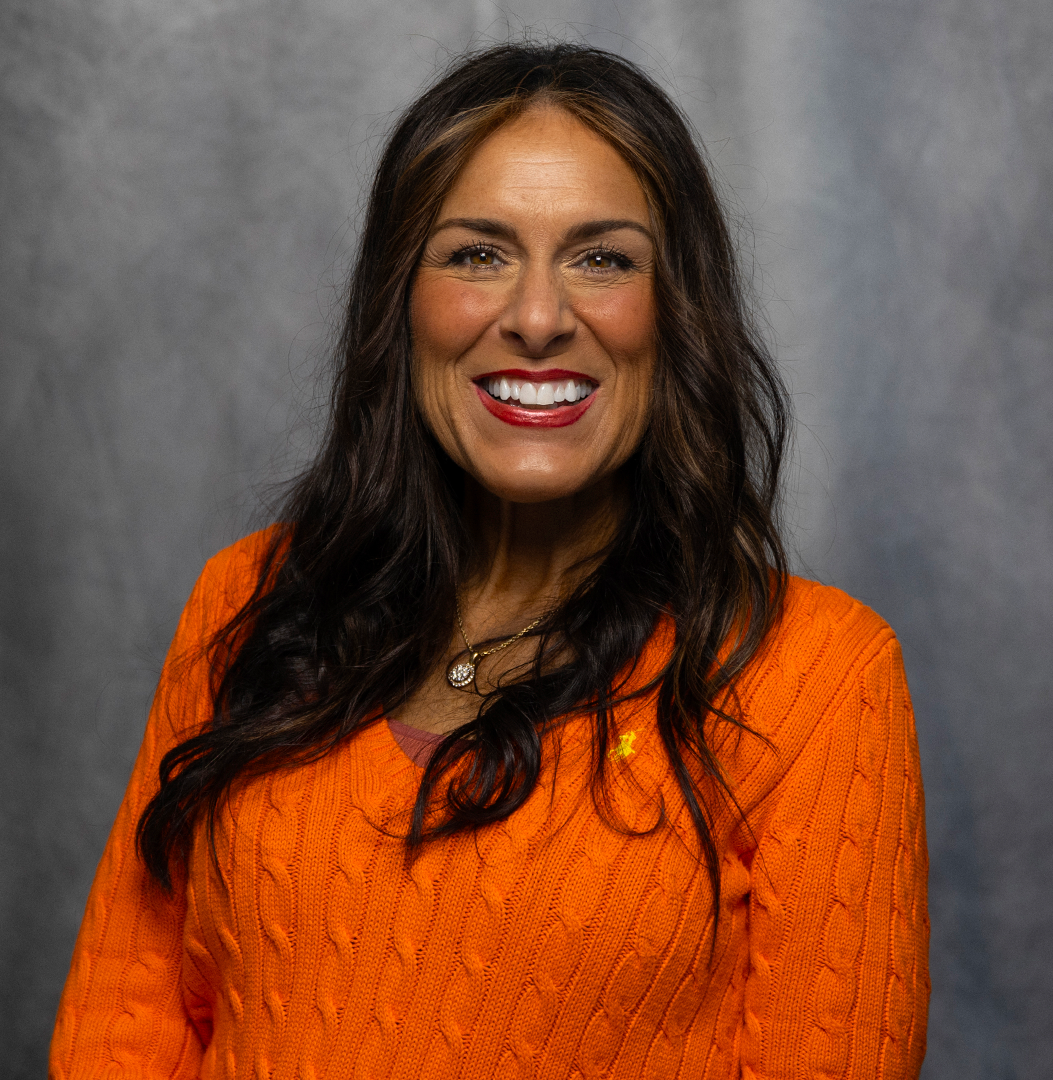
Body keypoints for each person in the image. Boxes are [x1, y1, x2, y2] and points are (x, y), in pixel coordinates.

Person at [50, 42, 930, 1080]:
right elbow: (121, 1036)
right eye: (477, 254)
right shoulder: (251, 600)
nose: (538, 318)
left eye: (603, 259)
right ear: (401, 301)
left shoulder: (819, 680)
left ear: (678, 312)